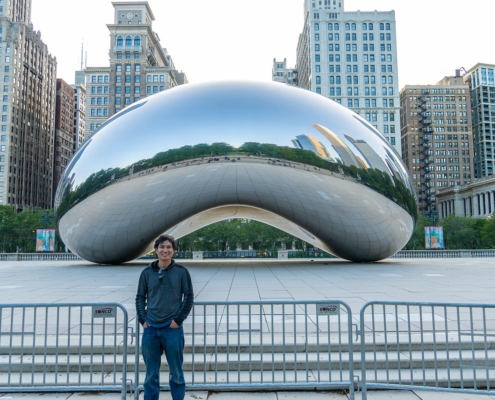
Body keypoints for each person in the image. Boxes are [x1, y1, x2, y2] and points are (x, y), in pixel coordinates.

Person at [135, 235, 194, 400]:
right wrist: (143, 320)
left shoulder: (181, 272)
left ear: (173, 250)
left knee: (176, 372)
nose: (165, 250)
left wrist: (178, 320)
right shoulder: (146, 273)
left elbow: (188, 297)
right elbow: (140, 297)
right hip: (151, 329)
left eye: (168, 247)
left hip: (172, 329)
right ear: (156, 250)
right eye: (161, 247)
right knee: (150, 375)